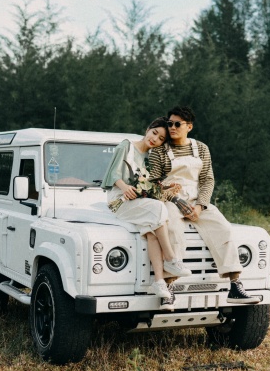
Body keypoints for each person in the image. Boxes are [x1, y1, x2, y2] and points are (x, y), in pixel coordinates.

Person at [149, 106, 260, 304]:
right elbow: (154, 183)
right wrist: (175, 200)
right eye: (169, 123)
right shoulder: (159, 151)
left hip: (196, 199)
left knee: (223, 228)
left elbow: (207, 179)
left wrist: (200, 205)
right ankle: (169, 287)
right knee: (172, 229)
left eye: (177, 124)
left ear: (189, 127)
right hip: (170, 200)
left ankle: (235, 285)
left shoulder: (201, 148)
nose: (172, 128)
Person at [101, 117, 191, 310]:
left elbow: (148, 185)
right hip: (120, 199)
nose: (154, 139)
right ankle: (171, 258)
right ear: (148, 129)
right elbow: (112, 174)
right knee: (159, 209)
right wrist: (125, 187)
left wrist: (166, 186)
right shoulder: (127, 146)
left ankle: (159, 281)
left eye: (160, 139)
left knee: (151, 231)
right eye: (154, 133)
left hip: (137, 201)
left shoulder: (149, 158)